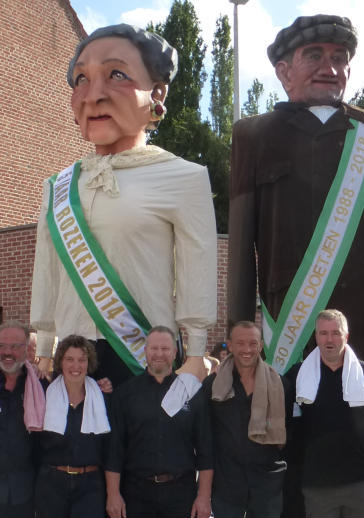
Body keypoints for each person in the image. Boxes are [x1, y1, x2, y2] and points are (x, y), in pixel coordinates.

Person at [227, 14, 364, 518]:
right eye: (314, 56)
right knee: (294, 466)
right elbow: (239, 252)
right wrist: (240, 352)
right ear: (283, 70)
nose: (331, 67)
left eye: (340, 57)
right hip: (290, 334)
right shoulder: (253, 134)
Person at [30, 23, 217, 388]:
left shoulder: (183, 176)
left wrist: (195, 355)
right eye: (81, 79)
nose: (93, 94)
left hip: (145, 355)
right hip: (70, 355)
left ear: (157, 93)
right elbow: (46, 272)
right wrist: (44, 348)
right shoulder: (57, 186)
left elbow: (198, 269)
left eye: (117, 75)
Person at [105, 326, 213, 518]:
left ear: (175, 352)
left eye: (165, 348)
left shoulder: (191, 393)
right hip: (136, 494)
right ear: (145, 351)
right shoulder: (126, 394)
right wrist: (113, 495)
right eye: (154, 348)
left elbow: (205, 449)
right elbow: (115, 450)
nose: (159, 354)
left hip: (180, 494)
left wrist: (204, 497)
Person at [292, 310, 364, 518]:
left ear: (346, 336)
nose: (329, 339)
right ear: (315, 336)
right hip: (318, 485)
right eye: (324, 333)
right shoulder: (299, 375)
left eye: (335, 333)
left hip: (362, 484)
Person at [203, 321, 286, 518]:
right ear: (229, 345)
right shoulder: (212, 386)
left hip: (267, 483)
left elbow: (290, 433)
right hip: (226, 483)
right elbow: (204, 437)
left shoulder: (279, 385)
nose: (246, 349)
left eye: (252, 343)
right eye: (240, 343)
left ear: (260, 345)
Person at [35, 334, 110, 518]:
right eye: (69, 359)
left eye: (81, 360)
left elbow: (110, 447)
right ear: (60, 362)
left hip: (90, 485)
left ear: (90, 363)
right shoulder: (44, 392)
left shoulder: (103, 398)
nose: (76, 366)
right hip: (51, 483)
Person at [0, 320, 45, 518]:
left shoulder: (40, 386)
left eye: (15, 346)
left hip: (22, 490)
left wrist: (101, 386)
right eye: (2, 345)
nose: (7, 352)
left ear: (27, 349)